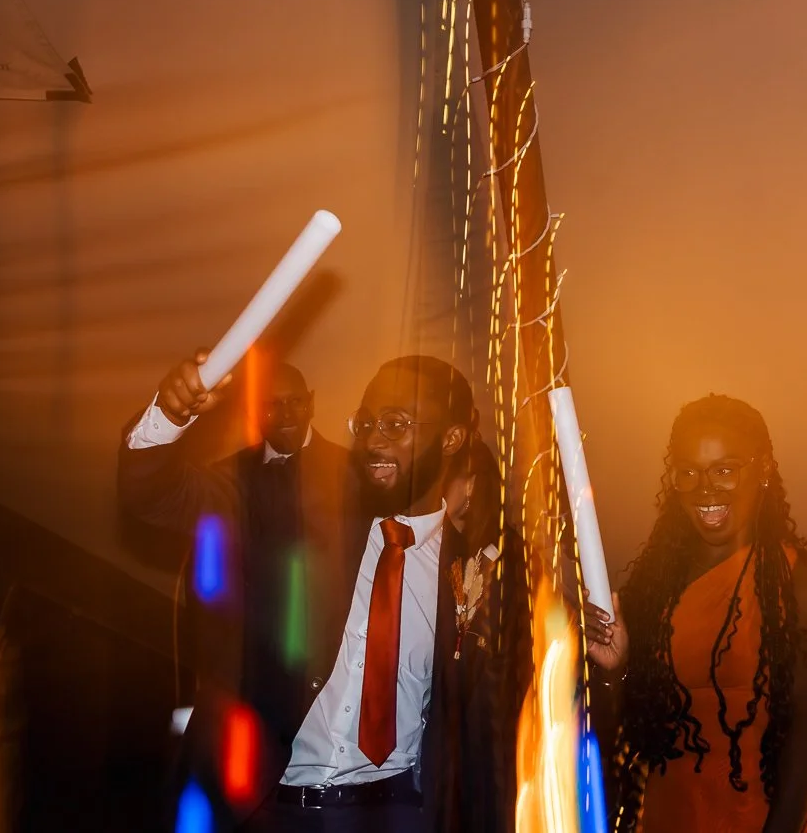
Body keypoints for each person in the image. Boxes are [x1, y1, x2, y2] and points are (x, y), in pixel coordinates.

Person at [118, 350, 522, 832]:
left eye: (395, 424)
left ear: (451, 438)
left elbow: (484, 727)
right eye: (365, 423)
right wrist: (169, 414)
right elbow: (156, 496)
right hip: (266, 805)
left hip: (396, 814)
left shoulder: (473, 572)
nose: (373, 440)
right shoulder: (298, 501)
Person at [583, 394, 807, 832]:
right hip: (666, 818)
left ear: (764, 469)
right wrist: (616, 669)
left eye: (724, 470)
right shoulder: (654, 586)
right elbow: (629, 732)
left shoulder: (806, 580)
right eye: (689, 472)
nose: (705, 488)